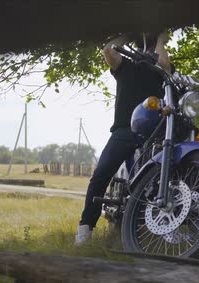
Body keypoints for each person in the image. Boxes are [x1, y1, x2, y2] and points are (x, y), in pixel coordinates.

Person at [75, 31, 173, 245]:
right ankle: (85, 227)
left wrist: (159, 38)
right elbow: (108, 50)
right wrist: (128, 34)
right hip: (124, 130)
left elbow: (164, 62)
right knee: (101, 174)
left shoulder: (160, 71)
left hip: (152, 131)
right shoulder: (125, 67)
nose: (144, 53)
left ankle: (149, 226)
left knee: (155, 180)